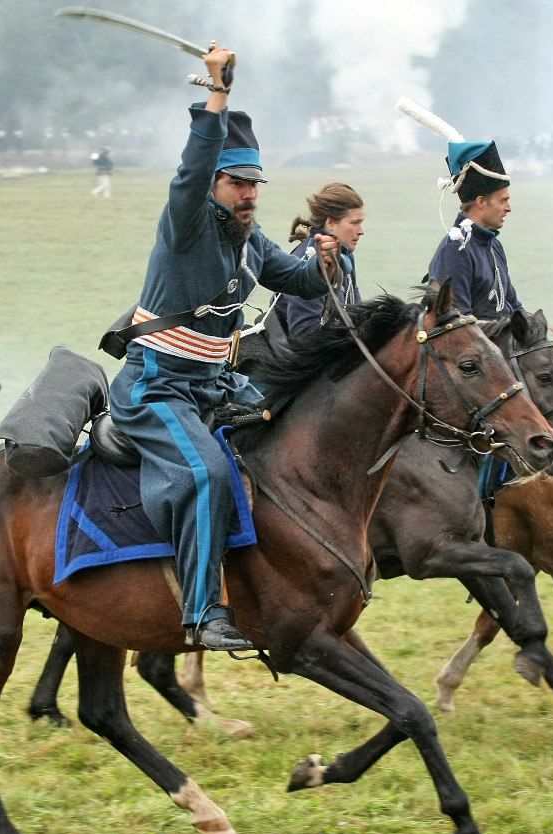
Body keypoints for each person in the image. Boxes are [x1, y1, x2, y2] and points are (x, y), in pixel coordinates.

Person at [106, 44, 337, 651]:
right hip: (156, 387)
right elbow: (191, 166)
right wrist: (219, 96)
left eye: (255, 183)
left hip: (216, 386)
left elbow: (301, 280)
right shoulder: (185, 222)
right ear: (213, 184)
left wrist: (329, 259)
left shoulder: (250, 238)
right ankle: (203, 613)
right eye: (237, 183)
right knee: (207, 473)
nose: (250, 194)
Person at [427, 135, 521, 319]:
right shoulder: (455, 249)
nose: (508, 208)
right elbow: (458, 323)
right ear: (481, 202)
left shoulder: (494, 246)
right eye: (503, 201)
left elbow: (513, 305)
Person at [278, 181, 364, 337]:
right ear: (330, 223)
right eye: (355, 223)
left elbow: (356, 312)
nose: (361, 231)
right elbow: (304, 336)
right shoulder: (305, 260)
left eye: (361, 222)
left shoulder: (346, 256)